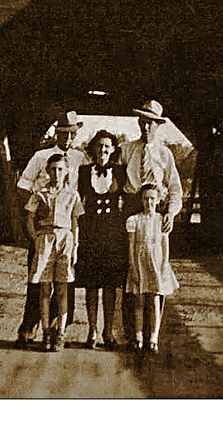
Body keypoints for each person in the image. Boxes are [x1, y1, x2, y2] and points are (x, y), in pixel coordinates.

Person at [14, 111, 86, 348]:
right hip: (43, 225)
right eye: (63, 133)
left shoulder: (79, 157)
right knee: (38, 281)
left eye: (71, 134)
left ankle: (57, 329)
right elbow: (23, 184)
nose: (66, 138)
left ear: (75, 134)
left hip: (67, 225)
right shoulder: (41, 156)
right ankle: (30, 328)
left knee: (64, 281)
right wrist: (33, 217)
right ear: (56, 133)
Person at [119, 100, 183, 350]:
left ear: (158, 126)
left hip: (156, 213)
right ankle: (133, 335)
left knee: (157, 271)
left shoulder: (165, 154)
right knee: (132, 271)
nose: (146, 127)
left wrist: (171, 212)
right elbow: (112, 179)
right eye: (142, 122)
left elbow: (176, 189)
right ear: (138, 123)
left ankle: (153, 336)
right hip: (132, 213)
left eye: (151, 123)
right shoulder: (126, 150)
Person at [24, 152, 85, 352]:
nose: (57, 173)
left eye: (60, 169)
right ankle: (45, 332)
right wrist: (37, 239)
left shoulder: (72, 195)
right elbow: (29, 218)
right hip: (45, 239)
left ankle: (60, 332)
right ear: (47, 171)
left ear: (66, 171)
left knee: (62, 288)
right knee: (44, 288)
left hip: (65, 239)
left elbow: (75, 222)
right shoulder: (40, 193)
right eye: (53, 169)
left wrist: (75, 246)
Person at [75, 130, 129, 350]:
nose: (103, 150)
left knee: (109, 284)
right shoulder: (82, 171)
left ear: (113, 150)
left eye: (107, 146)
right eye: (99, 146)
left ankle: (108, 330)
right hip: (90, 233)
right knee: (91, 284)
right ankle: (92, 330)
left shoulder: (120, 171)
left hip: (112, 234)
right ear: (92, 149)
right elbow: (76, 201)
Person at [126, 183, 179, 354]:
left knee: (155, 300)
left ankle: (153, 337)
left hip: (156, 263)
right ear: (141, 200)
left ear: (158, 201)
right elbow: (132, 246)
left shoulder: (161, 220)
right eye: (146, 198)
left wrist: (164, 265)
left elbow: (165, 245)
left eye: (152, 199)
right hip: (140, 263)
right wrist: (133, 267)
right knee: (139, 301)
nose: (149, 202)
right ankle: (139, 336)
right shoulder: (134, 220)